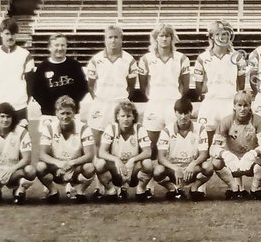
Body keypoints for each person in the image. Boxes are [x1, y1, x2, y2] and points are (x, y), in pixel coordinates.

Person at [138, 24, 191, 157]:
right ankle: (148, 173)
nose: (164, 39)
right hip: (155, 103)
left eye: (167, 36)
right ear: (155, 38)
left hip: (173, 104)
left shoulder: (182, 58)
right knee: (150, 145)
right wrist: (153, 96)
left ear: (172, 38)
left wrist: (178, 100)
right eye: (161, 36)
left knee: (174, 142)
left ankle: (173, 171)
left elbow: (185, 85)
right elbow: (143, 84)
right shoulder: (146, 59)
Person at [194, 20, 247, 146]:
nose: (221, 37)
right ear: (211, 36)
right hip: (211, 103)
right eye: (217, 34)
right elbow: (198, 85)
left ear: (229, 36)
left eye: (224, 34)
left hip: (229, 102)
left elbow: (241, 84)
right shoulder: (202, 58)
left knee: (232, 141)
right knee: (206, 140)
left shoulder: (237, 57)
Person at [211, 91, 261, 199]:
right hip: (232, 161)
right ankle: (234, 189)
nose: (242, 109)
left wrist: (253, 154)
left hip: (251, 161)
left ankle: (255, 189)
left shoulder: (258, 120)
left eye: (245, 105)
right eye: (239, 105)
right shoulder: (226, 121)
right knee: (216, 162)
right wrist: (225, 155)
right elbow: (214, 147)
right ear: (234, 106)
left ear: (250, 106)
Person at [36, 96, 96, 203]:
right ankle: (53, 191)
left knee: (89, 167)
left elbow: (89, 155)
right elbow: (42, 154)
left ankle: (80, 191)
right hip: (57, 169)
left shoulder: (84, 128)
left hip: (75, 168)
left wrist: (71, 163)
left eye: (68, 113)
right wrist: (58, 163)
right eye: (62, 113)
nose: (65, 117)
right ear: (57, 114)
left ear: (74, 113)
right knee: (40, 166)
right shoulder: (49, 128)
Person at [86, 24, 138, 144]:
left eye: (116, 37)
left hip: (120, 103)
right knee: (97, 138)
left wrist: (123, 99)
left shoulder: (129, 60)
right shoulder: (95, 60)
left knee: (118, 136)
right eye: (110, 37)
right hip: (101, 103)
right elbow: (90, 85)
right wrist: (99, 98)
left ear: (121, 39)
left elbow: (131, 86)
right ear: (105, 39)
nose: (113, 40)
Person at [155, 98, 214, 201]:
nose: (183, 117)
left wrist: (192, 164)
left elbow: (204, 154)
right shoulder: (167, 131)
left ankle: (194, 188)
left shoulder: (200, 129)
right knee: (157, 171)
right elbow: (161, 157)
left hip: (192, 170)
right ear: (175, 113)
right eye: (180, 113)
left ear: (190, 113)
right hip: (173, 170)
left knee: (208, 167)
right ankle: (172, 189)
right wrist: (175, 168)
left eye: (186, 113)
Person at [94, 101, 153, 202]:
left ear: (133, 117)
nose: (126, 119)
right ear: (117, 116)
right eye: (123, 116)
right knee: (100, 164)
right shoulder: (111, 128)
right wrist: (116, 160)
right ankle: (111, 190)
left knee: (148, 163)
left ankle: (141, 189)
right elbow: (102, 152)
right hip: (115, 170)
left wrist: (132, 160)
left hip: (133, 169)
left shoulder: (139, 128)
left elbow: (148, 152)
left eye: (128, 116)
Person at [0, 18, 35, 127]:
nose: (10, 37)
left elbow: (30, 82)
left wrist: (23, 99)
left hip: (18, 106)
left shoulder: (25, 55)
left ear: (16, 35)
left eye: (13, 34)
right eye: (7, 33)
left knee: (21, 140)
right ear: (1, 34)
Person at [32, 33, 89, 128]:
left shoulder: (74, 65)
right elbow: (35, 91)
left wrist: (70, 103)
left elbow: (83, 88)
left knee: (73, 141)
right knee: (48, 142)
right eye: (56, 45)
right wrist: (53, 105)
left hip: (71, 113)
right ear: (49, 47)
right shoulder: (42, 67)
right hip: (49, 114)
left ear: (66, 46)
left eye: (63, 45)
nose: (60, 48)